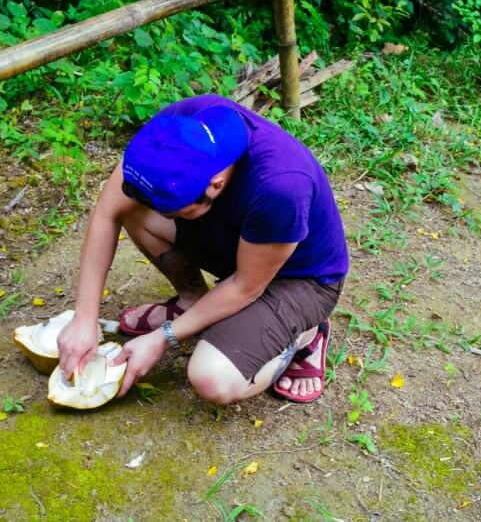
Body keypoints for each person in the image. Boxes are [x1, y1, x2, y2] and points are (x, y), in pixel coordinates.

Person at [56, 94, 349, 404]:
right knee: (134, 211)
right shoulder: (178, 128)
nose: (165, 218)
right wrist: (84, 318)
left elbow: (245, 287)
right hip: (239, 246)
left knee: (212, 378)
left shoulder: (280, 186)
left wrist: (163, 338)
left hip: (298, 279)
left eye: (174, 212)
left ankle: (306, 335)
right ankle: (191, 303)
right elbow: (107, 212)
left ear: (216, 184)